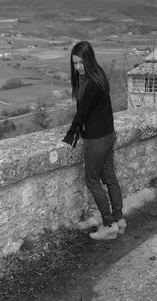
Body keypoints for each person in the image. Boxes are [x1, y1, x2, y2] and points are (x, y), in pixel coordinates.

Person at [62, 41, 126, 240]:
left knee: (92, 180)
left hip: (97, 139)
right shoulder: (98, 74)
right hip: (108, 134)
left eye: (81, 63)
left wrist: (70, 135)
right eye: (75, 64)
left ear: (88, 60)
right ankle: (119, 220)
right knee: (110, 178)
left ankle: (108, 226)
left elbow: (82, 113)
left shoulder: (90, 83)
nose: (78, 67)